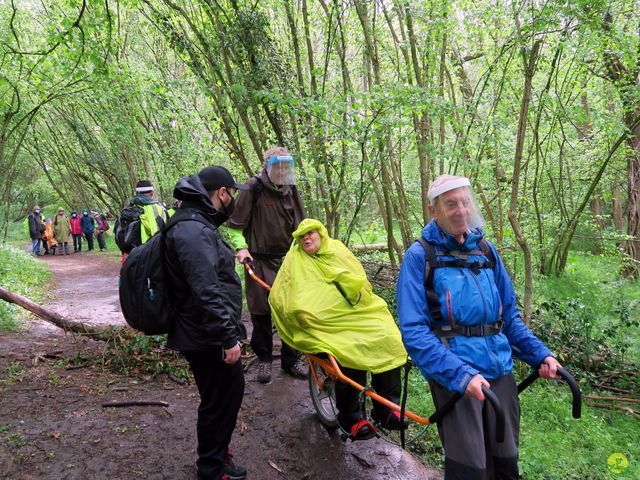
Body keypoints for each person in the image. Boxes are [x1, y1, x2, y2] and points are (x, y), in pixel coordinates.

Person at [396, 175, 562, 480]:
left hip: (500, 373)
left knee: (506, 462)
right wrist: (460, 375)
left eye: (465, 202)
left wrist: (540, 355)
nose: (460, 210)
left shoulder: (485, 251)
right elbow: (415, 333)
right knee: (471, 468)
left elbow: (509, 318)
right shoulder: (421, 256)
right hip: (457, 380)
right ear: (434, 211)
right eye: (450, 204)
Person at [269, 218, 409, 440]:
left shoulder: (338, 250)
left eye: (311, 233)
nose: (306, 238)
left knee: (389, 337)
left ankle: (386, 409)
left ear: (321, 233)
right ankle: (350, 418)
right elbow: (286, 297)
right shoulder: (294, 262)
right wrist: (311, 313)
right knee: (348, 351)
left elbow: (360, 282)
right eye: (301, 236)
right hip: (324, 324)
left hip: (355, 314)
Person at [165, 166, 248, 480]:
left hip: (200, 328)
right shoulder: (193, 228)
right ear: (223, 193)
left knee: (220, 395)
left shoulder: (196, 222)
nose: (234, 200)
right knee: (222, 396)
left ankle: (216, 454)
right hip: (204, 332)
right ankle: (211, 468)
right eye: (233, 193)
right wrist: (227, 338)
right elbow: (205, 289)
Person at [227, 147, 307, 383]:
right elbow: (235, 226)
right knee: (261, 311)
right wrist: (241, 248)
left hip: (287, 260)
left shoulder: (291, 190)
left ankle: (291, 360)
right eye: (278, 166)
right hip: (259, 260)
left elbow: (302, 226)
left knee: (289, 310)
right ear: (268, 166)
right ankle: (264, 359)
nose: (282, 170)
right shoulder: (254, 188)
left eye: (286, 166)